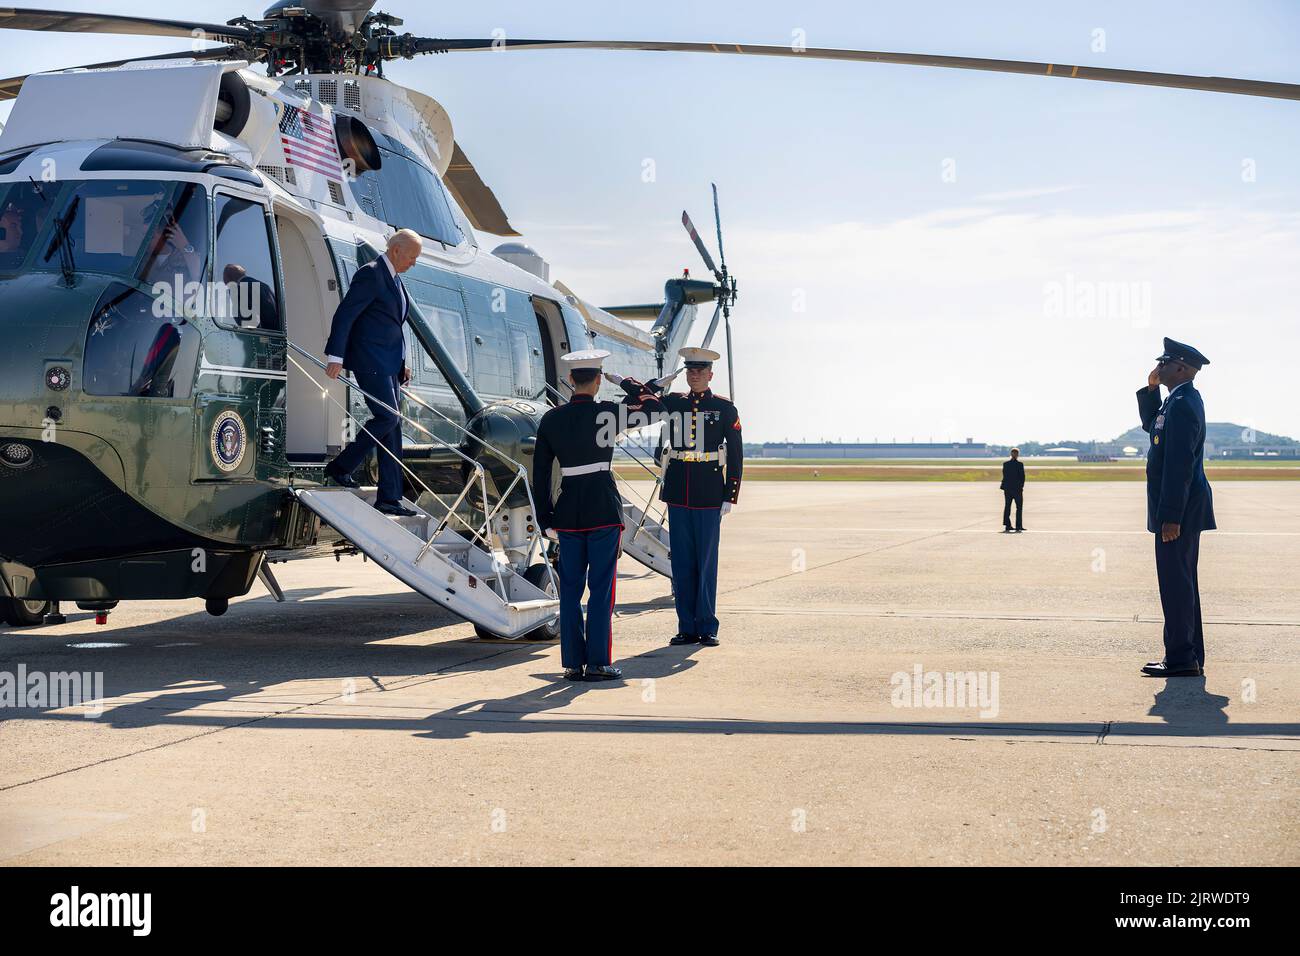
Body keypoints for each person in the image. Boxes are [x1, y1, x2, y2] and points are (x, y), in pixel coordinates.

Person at [531, 349, 657, 681]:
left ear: (571, 379)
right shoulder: (608, 414)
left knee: (570, 590)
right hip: (602, 508)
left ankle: (573, 663)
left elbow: (540, 474)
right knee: (602, 589)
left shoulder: (551, 419)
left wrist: (545, 520)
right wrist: (626, 382)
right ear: (598, 381)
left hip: (568, 512)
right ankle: (599, 662)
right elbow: (654, 406)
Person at [611, 347, 743, 647]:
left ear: (710, 375)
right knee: (682, 563)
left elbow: (735, 453)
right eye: (690, 370)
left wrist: (730, 494)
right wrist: (648, 383)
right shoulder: (672, 402)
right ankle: (686, 627)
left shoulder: (724, 408)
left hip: (710, 491)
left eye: (700, 370)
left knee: (706, 562)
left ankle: (707, 626)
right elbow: (640, 402)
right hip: (679, 490)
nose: (694, 374)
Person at [322, 229, 421, 516]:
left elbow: (391, 326)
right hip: (370, 360)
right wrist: (336, 355)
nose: (413, 263)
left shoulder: (395, 280)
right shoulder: (372, 273)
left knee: (393, 425)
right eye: (412, 257)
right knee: (387, 416)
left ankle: (390, 497)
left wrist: (402, 364)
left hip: (389, 365)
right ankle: (341, 466)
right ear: (396, 251)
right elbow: (346, 314)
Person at [1137, 337, 1216, 678]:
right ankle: (1189, 653)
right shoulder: (1176, 401)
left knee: (1175, 582)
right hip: (1181, 508)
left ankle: (1182, 657)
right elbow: (1152, 428)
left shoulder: (1183, 404)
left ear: (1181, 367)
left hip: (1179, 511)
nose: (1160, 367)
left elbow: (1179, 464)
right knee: (1181, 581)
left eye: (1165, 364)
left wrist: (1171, 516)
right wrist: (1151, 389)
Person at [1000, 447, 1026, 532]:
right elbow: (1022, 477)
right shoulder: (1020, 464)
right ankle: (1018, 526)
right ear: (1017, 455)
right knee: (1018, 507)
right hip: (1016, 489)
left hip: (1008, 488)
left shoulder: (1006, 464)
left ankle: (1008, 525)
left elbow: (1005, 476)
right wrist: (1021, 486)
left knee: (1008, 506)